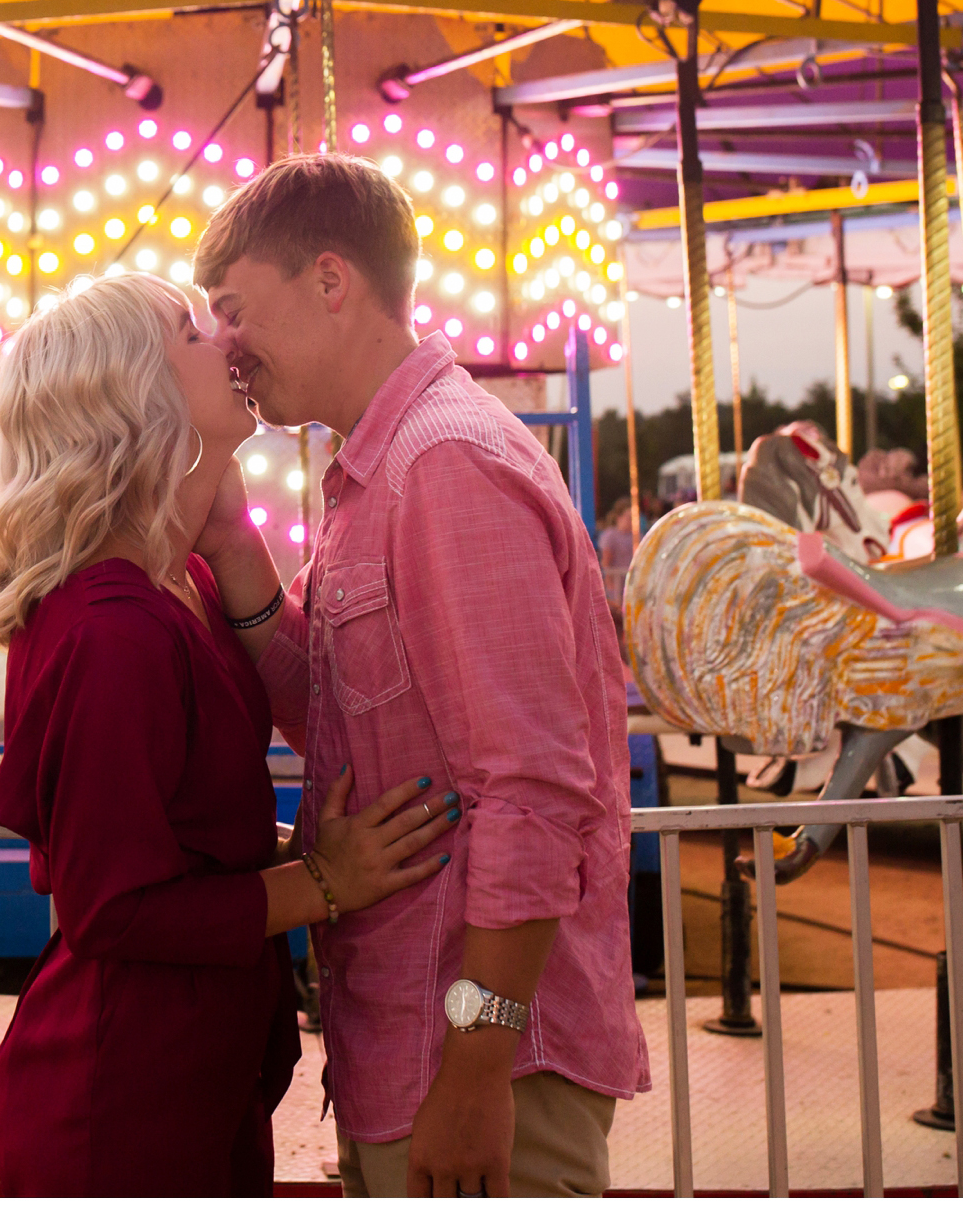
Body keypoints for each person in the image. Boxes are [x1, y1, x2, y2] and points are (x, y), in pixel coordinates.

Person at [192, 154, 649, 1197]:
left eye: (233, 308)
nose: (227, 346)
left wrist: (478, 1064)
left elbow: (532, 789)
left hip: (481, 1056)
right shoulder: (375, 470)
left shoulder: (444, 464)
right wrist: (234, 546)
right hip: (411, 1033)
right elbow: (339, 714)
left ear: (329, 278)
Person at [0, 272, 457, 1197]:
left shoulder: (179, 583)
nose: (229, 342)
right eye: (193, 333)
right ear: (132, 393)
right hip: (125, 1099)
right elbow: (111, 905)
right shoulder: (112, 628)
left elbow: (196, 822)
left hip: (196, 1073)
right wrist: (321, 881)